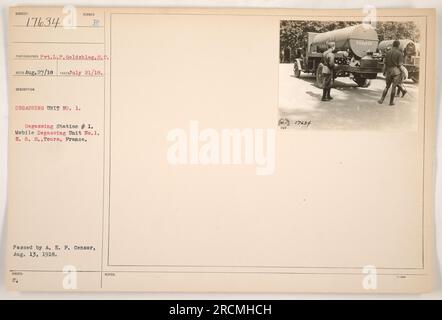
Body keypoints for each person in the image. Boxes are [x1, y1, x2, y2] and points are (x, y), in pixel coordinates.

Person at [378, 40, 404, 106]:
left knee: (387, 87)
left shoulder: (387, 53)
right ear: (398, 45)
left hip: (388, 71)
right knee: (394, 87)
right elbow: (400, 65)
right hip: (396, 72)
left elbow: (385, 63)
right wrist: (403, 72)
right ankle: (391, 102)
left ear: (393, 45)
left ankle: (381, 99)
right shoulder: (399, 53)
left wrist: (384, 71)